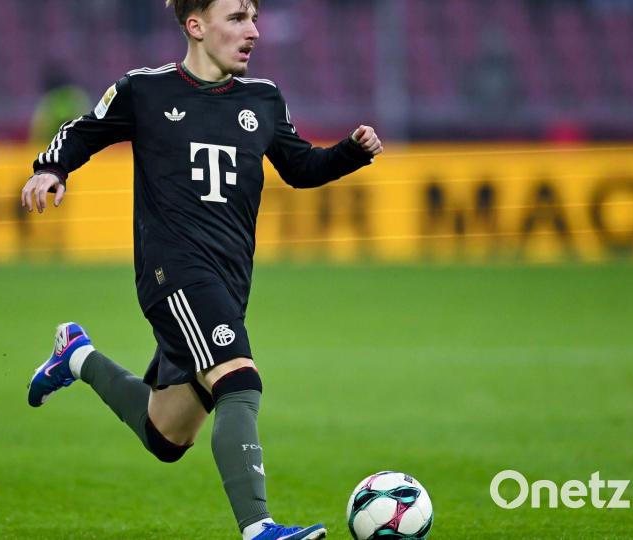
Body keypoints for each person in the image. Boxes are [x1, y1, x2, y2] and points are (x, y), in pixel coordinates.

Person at [20, 1, 382, 539]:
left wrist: (350, 152)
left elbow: (300, 167)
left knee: (166, 435)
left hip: (229, 282)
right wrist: (51, 168)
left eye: (254, 18)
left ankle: (76, 355)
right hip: (172, 273)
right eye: (236, 18)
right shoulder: (145, 90)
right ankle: (258, 527)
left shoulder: (263, 99)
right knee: (239, 379)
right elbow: (83, 130)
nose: (253, 31)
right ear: (195, 26)